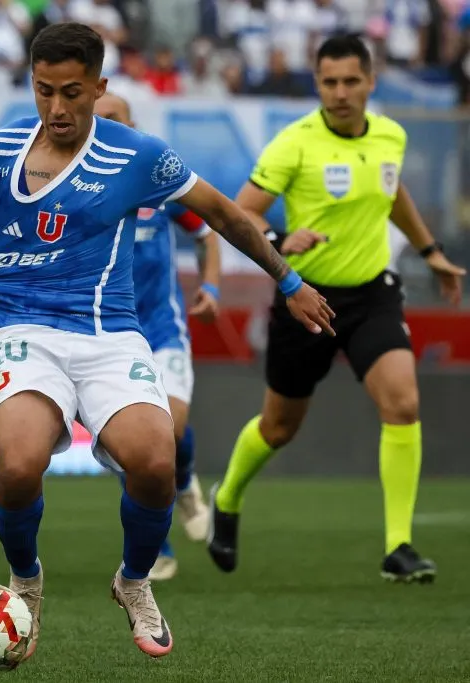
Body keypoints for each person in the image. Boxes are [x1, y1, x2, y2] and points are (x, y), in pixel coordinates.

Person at [0, 21, 333, 659]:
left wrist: (289, 282)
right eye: (43, 92)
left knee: (154, 465)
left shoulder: (136, 156)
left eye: (72, 93)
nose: (57, 108)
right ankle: (26, 581)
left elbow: (224, 215)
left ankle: (134, 582)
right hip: (24, 334)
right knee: (18, 467)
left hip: (109, 335)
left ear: (98, 87)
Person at [207, 34, 465, 584]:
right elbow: (238, 213)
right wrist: (279, 234)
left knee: (403, 401)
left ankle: (399, 545)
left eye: (351, 81)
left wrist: (431, 252)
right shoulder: (294, 143)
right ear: (318, 84)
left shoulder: (391, 135)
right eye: (329, 82)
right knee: (278, 428)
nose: (341, 92)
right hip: (307, 300)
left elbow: (393, 195)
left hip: (373, 293)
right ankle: (226, 498)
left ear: (371, 82)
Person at [94, 92, 219, 581]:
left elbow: (207, 231)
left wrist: (209, 284)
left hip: (163, 330)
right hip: (108, 337)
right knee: (134, 446)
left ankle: (185, 483)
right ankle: (158, 546)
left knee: (169, 432)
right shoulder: (75, 185)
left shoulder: (157, 180)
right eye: (98, 118)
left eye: (114, 118)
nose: (104, 126)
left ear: (132, 125)